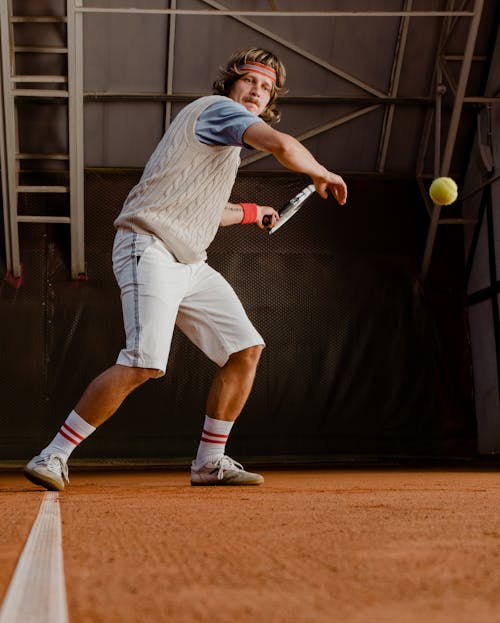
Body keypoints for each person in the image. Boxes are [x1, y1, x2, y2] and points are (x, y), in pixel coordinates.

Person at [24, 47, 347, 491]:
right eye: (250, 81)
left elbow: (207, 209)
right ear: (231, 84)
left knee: (245, 350)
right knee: (144, 363)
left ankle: (209, 462)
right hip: (149, 246)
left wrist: (254, 212)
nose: (257, 90)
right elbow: (283, 145)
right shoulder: (217, 111)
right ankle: (54, 454)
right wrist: (321, 172)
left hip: (190, 260)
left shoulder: (224, 145)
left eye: (266, 88)